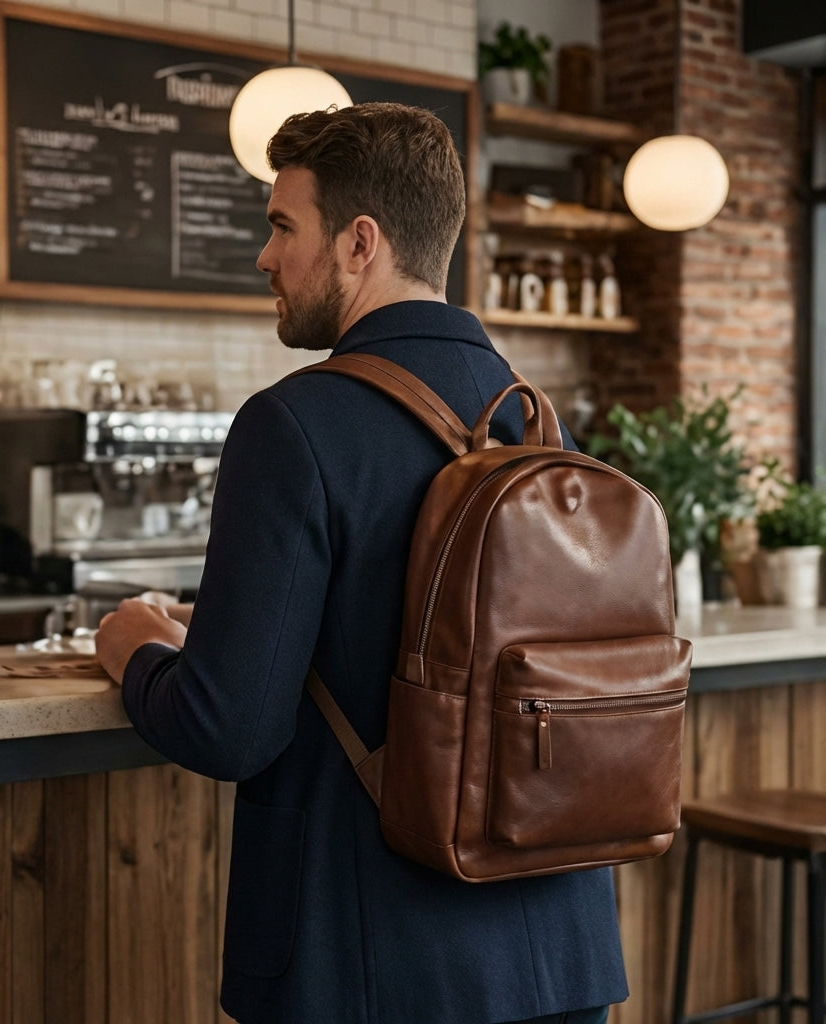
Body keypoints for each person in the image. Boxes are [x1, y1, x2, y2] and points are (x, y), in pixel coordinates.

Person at [94, 102, 628, 1024]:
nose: (265, 258)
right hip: (558, 954)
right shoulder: (539, 423)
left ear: (359, 243)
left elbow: (228, 728)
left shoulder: (293, 423)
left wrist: (135, 647)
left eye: (281, 226)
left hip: (371, 968)